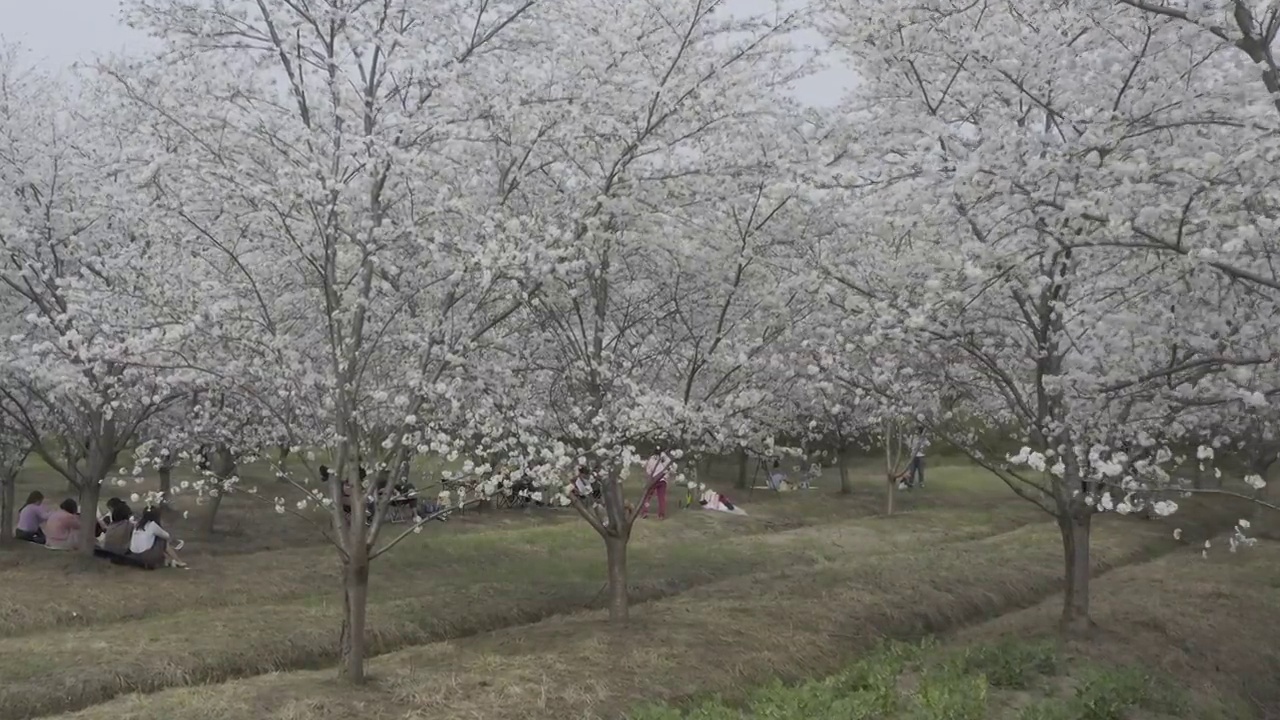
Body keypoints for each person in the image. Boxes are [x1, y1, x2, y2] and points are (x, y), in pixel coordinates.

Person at [642, 447, 673, 520]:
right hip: (662, 479)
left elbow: (648, 470)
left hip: (654, 479)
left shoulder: (651, 459)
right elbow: (669, 467)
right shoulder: (665, 458)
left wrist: (651, 476)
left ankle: (645, 512)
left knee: (648, 496)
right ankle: (661, 514)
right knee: (661, 498)